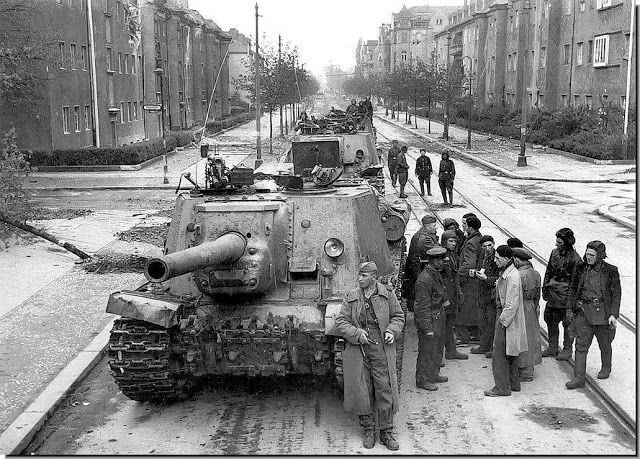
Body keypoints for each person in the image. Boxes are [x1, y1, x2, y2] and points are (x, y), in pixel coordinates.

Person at [335, 262, 405, 450]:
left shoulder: (387, 294)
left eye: (364, 275)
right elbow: (340, 322)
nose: (359, 278)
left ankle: (386, 431)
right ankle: (368, 429)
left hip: (381, 345)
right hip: (359, 347)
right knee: (362, 388)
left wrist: (392, 331)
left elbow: (398, 317)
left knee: (384, 387)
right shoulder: (351, 297)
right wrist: (356, 333)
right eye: (359, 275)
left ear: (373, 276)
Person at [565, 241, 621, 389]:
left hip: (602, 312)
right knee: (581, 345)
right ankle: (578, 378)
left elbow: (616, 295)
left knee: (604, 342)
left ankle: (606, 367)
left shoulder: (610, 271)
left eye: (592, 255)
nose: (588, 257)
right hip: (583, 311)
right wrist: (569, 309)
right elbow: (572, 289)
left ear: (600, 256)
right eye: (587, 254)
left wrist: (613, 315)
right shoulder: (580, 268)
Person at [485, 245, 528, 397]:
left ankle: (502, 388)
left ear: (507, 258)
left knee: (499, 354)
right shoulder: (508, 272)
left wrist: (502, 323)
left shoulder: (511, 276)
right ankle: (513, 383)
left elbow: (511, 304)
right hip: (507, 317)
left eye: (497, 258)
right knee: (511, 353)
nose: (495, 260)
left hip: (505, 318)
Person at [542, 228, 582, 361]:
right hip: (553, 294)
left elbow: (575, 284)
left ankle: (567, 349)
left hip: (566, 297)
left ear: (567, 243)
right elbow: (548, 271)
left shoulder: (576, 260)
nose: (556, 244)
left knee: (568, 324)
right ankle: (552, 346)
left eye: (559, 242)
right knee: (550, 321)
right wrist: (545, 289)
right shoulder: (554, 253)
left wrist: (571, 303)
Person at [414, 247, 450, 391]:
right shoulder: (425, 279)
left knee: (437, 349)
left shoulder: (434, 274)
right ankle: (423, 379)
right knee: (427, 350)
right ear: (434, 262)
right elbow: (421, 307)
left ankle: (434, 374)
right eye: (440, 260)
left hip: (438, 316)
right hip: (430, 318)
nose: (442, 263)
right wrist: (427, 328)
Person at [512, 247, 543, 382]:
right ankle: (529, 367)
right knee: (531, 337)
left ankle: (523, 369)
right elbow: (537, 295)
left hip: (520, 307)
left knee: (520, 338)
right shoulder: (535, 273)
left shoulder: (518, 275)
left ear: (517, 259)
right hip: (530, 306)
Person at [440, 230, 468, 361]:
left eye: (455, 241)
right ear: (444, 241)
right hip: (445, 296)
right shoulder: (440, 257)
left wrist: (459, 292)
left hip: (453, 295)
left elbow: (455, 277)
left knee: (450, 325)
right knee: (442, 327)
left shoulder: (452, 255)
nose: (453, 244)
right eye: (450, 241)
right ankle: (438, 357)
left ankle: (451, 351)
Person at [470, 235, 500, 357]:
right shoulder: (483, 256)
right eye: (484, 246)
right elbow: (481, 268)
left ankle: (491, 348)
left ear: (493, 244)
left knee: (491, 322)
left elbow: (500, 277)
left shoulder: (497, 258)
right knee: (482, 320)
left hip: (492, 295)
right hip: (482, 293)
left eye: (489, 245)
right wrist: (474, 271)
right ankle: (484, 345)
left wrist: (487, 278)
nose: (487, 248)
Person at [403, 214, 439, 312]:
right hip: (418, 269)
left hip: (416, 268)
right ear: (427, 226)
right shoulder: (425, 238)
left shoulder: (423, 234)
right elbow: (437, 251)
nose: (436, 228)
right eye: (434, 226)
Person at [456, 215, 483, 345]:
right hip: (475, 281)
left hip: (468, 281)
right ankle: (475, 335)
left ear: (470, 227)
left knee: (464, 308)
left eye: (464, 224)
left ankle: (463, 338)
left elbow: (468, 263)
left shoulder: (471, 242)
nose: (462, 226)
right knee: (472, 308)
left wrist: (458, 277)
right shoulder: (478, 237)